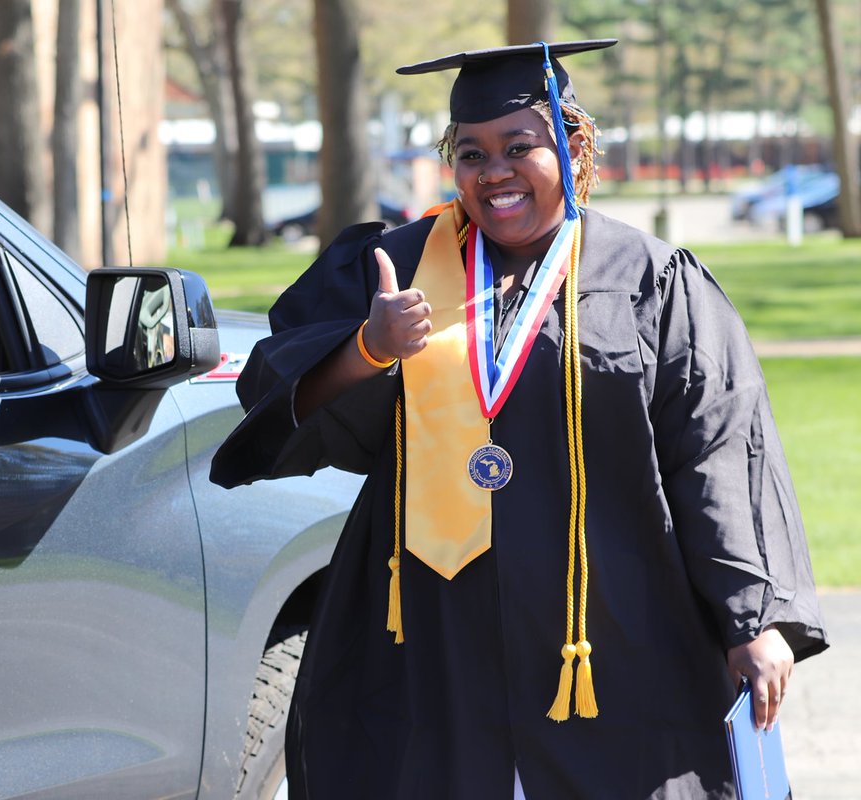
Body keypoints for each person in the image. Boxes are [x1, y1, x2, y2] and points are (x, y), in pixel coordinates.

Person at [210, 39, 828, 799]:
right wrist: (367, 348)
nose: (493, 172)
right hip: (432, 634)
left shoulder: (650, 282)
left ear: (573, 146)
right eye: (470, 153)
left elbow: (718, 451)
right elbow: (275, 394)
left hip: (612, 631)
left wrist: (752, 620)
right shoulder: (398, 264)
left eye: (518, 146)